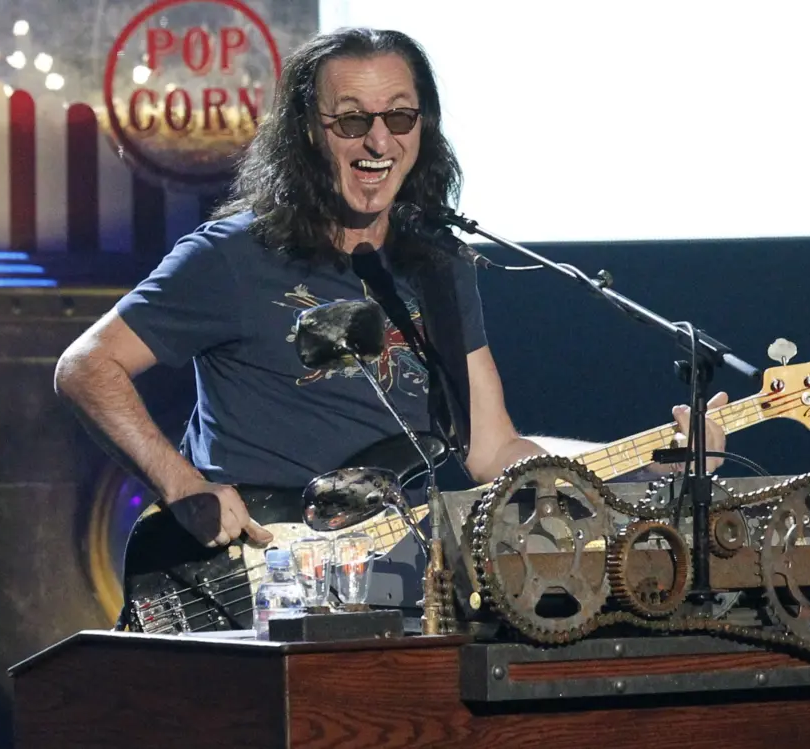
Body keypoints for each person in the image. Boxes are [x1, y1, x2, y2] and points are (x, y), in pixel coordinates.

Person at [53, 27, 727, 552]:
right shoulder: (233, 256)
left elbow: (492, 449)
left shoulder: (437, 265)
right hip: (252, 569)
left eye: (399, 118)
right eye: (351, 120)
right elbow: (87, 365)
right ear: (309, 133)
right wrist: (182, 484)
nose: (378, 139)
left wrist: (645, 463)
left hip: (392, 582)